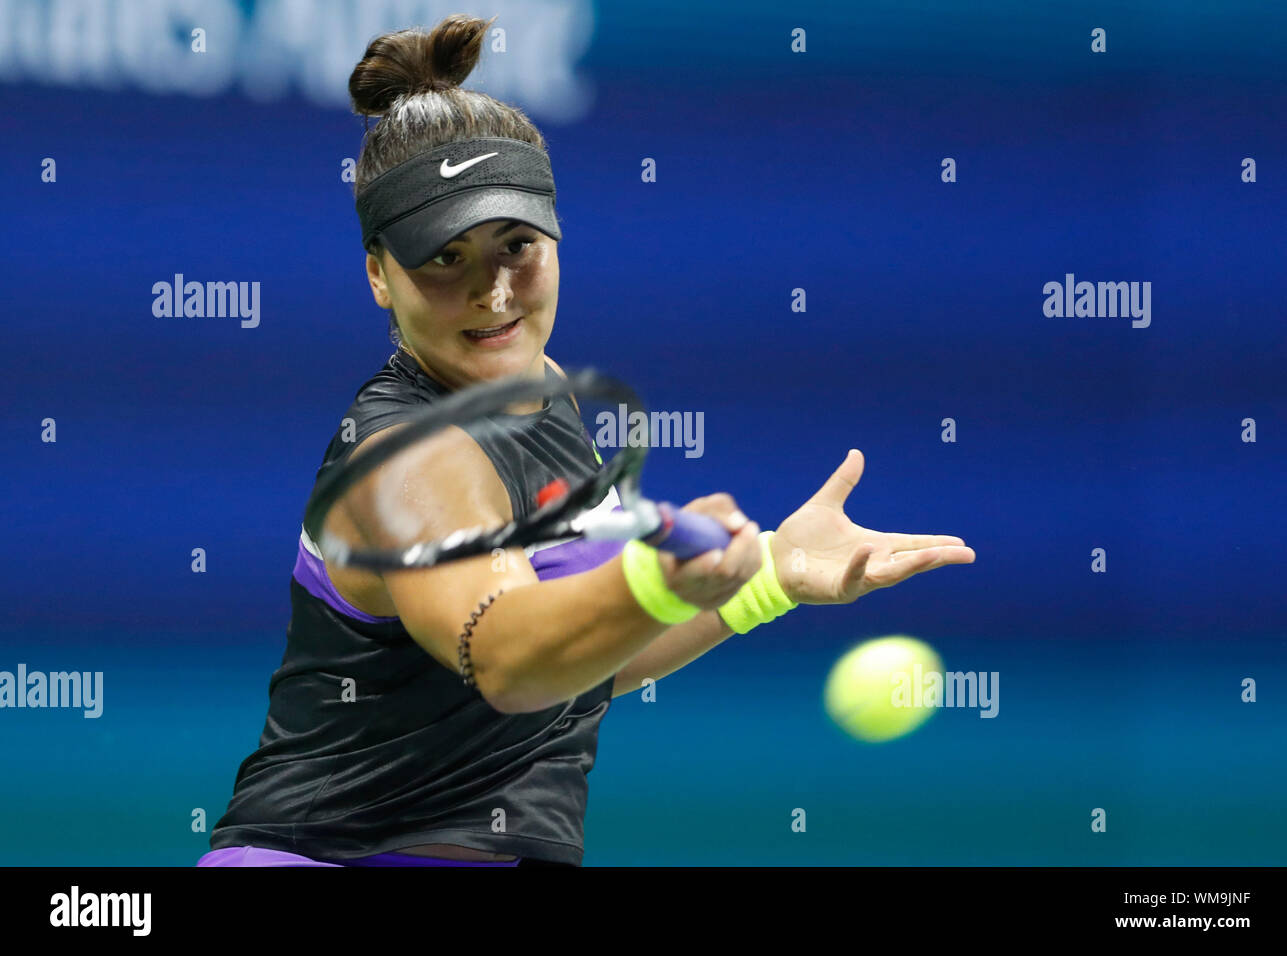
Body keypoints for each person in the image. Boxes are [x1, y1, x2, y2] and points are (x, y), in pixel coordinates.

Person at [197, 14, 975, 869]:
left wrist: (771, 573)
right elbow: (509, 660)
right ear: (379, 274)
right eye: (443, 259)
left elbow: (576, 669)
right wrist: (649, 579)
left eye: (516, 246)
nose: (494, 293)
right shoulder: (413, 460)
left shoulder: (546, 391)